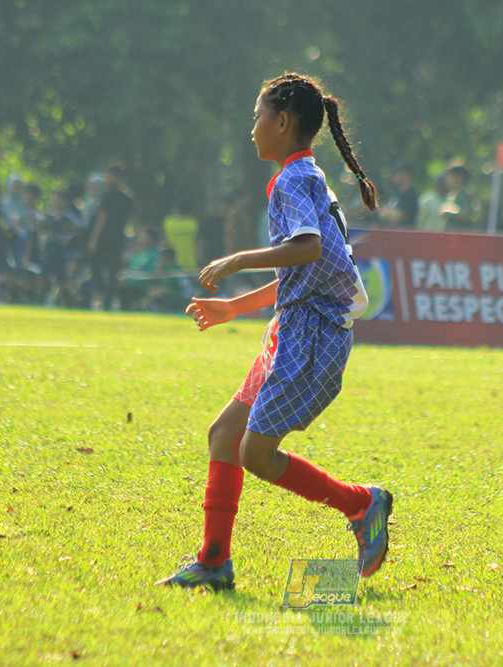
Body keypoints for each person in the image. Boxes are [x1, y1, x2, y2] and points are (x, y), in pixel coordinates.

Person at [157, 73, 393, 591]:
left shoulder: (293, 182)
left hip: (310, 337)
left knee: (255, 454)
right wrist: (233, 308)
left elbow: (306, 248)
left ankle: (362, 503)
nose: (253, 129)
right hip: (293, 330)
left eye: (257, 117)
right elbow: (302, 272)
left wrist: (239, 258)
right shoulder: (305, 175)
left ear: (282, 122)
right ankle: (214, 562)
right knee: (224, 436)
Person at [87, 162, 135, 309]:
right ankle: (107, 300)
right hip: (119, 239)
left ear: (115, 176)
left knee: (96, 263)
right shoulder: (128, 197)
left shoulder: (108, 196)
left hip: (106, 238)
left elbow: (102, 218)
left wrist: (93, 240)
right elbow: (132, 222)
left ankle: (104, 295)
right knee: (114, 271)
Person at [378, 163, 418, 227]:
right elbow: (381, 214)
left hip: (404, 234)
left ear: (407, 175)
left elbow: (396, 218)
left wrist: (388, 213)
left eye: (397, 173)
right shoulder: (395, 194)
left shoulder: (411, 195)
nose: (393, 176)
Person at [442, 164, 478, 230]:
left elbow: (466, 215)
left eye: (450, 177)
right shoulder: (449, 195)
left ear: (460, 178)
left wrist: (451, 214)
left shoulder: (467, 196)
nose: (447, 181)